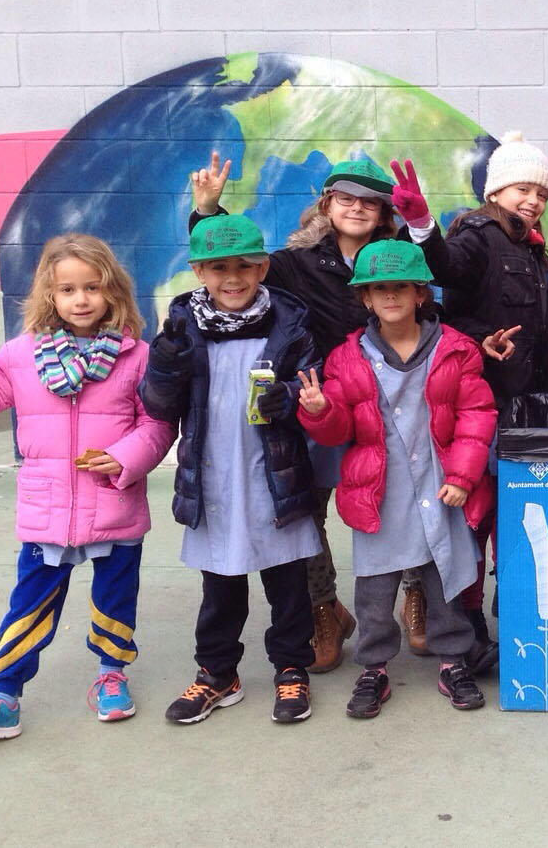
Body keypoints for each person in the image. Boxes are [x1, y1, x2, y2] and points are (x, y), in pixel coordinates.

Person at [0, 234, 175, 740]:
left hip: (113, 501)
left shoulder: (137, 357)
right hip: (47, 508)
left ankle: (111, 675)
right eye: (67, 289)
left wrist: (125, 457)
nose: (81, 299)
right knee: (29, 604)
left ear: (114, 291)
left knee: (115, 598)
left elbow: (157, 423)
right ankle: (4, 696)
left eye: (93, 287)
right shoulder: (20, 355)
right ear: (49, 294)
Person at [189, 153, 393, 670]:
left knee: (396, 502)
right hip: (315, 404)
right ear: (326, 204)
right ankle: (323, 607)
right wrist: (209, 212)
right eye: (345, 198)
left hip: (384, 402)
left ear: (384, 212)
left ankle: (416, 596)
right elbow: (232, 265)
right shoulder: (296, 262)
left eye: (370, 201)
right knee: (305, 511)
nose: (357, 208)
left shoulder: (397, 258)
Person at [390, 132, 548, 673]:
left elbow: (539, 321)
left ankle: (512, 614)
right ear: (495, 191)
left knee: (515, 515)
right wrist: (422, 224)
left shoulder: (531, 248)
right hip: (479, 404)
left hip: (525, 404)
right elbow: (445, 269)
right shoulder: (478, 234)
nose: (533, 200)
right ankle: (465, 627)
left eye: (541, 193)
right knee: (474, 514)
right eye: (522, 189)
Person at [297, 240, 497, 718]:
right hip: (379, 489)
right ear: (365, 298)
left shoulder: (455, 349)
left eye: (401, 287)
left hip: (438, 482)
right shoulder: (347, 358)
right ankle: (373, 667)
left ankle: (453, 661)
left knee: (443, 574)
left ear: (420, 293)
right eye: (379, 288)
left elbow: (476, 415)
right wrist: (320, 412)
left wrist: (463, 476)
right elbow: (340, 429)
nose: (391, 296)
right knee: (374, 585)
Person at [140, 215, 323, 726]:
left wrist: (289, 397)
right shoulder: (182, 328)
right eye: (219, 268)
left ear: (263, 268)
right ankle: (218, 673)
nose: (233, 278)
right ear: (199, 272)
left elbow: (315, 383)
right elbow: (157, 404)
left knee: (288, 583)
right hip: (214, 477)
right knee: (220, 586)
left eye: (245, 266)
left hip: (275, 476)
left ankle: (292, 668)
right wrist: (167, 362)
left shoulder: (290, 323)